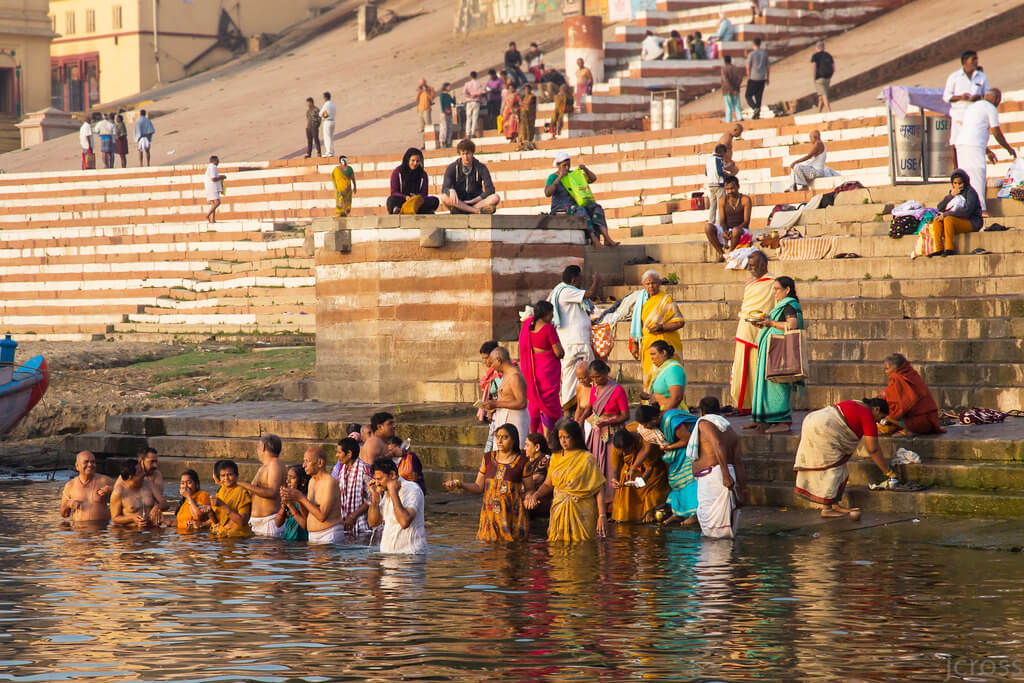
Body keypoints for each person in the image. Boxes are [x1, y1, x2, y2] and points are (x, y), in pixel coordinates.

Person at [794, 398, 895, 517]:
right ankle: (827, 509)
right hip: (824, 428)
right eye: (881, 417)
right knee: (833, 469)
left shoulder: (857, 403)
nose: (879, 421)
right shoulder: (867, 415)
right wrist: (888, 472)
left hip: (812, 419)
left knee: (841, 469)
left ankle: (835, 505)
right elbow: (873, 449)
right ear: (876, 409)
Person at [444, 423, 530, 542]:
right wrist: (460, 484)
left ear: (514, 440)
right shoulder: (488, 458)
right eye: (498, 437)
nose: (500, 440)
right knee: (487, 556)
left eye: (505, 437)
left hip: (511, 518)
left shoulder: (522, 462)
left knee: (511, 554)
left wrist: (530, 497)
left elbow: (530, 490)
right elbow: (478, 487)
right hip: (489, 517)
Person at [524, 418, 607, 541]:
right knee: (558, 551)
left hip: (582, 512)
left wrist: (602, 515)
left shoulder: (587, 458)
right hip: (559, 510)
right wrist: (536, 495)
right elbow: (548, 484)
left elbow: (598, 488)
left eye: (567, 437)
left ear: (575, 437)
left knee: (583, 549)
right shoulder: (555, 457)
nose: (563, 441)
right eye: (560, 437)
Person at [749, 276, 804, 433]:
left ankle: (782, 421)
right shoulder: (782, 305)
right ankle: (765, 420)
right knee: (768, 384)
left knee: (778, 383)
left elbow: (792, 325)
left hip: (780, 352)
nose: (774, 293)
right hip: (772, 350)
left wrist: (770, 323)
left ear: (787, 290)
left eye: (777, 289)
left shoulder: (789, 305)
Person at [688, 396, 746, 539]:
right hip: (723, 476)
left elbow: (717, 444)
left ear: (701, 412)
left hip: (715, 478)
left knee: (715, 532)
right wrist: (743, 489)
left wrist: (726, 475)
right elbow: (738, 462)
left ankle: (716, 559)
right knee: (720, 528)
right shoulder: (730, 430)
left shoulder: (704, 423)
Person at [954, 88, 1016, 215]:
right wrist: (1008, 148)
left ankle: (965, 208)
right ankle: (981, 209)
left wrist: (987, 151)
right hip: (974, 146)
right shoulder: (990, 107)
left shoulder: (974, 106)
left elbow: (973, 129)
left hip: (961, 144)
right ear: (996, 99)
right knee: (978, 176)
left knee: (965, 178)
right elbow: (996, 131)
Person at [609, 405, 671, 523]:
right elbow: (616, 468)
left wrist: (640, 482)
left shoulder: (646, 439)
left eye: (627, 451)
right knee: (625, 488)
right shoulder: (618, 444)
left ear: (633, 443)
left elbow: (649, 468)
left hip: (653, 472)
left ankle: (650, 514)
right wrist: (614, 479)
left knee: (653, 495)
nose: (624, 454)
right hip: (630, 471)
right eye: (621, 452)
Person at [549, 264, 599, 409]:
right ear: (574, 279)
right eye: (580, 278)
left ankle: (582, 406)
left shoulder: (563, 290)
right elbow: (590, 294)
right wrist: (596, 280)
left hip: (575, 341)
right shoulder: (566, 291)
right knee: (583, 375)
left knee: (576, 377)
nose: (581, 281)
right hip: (575, 342)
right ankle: (571, 409)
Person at [580, 358, 629, 505]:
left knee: (611, 465)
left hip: (612, 433)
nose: (595, 380)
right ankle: (597, 500)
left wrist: (608, 421)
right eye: (593, 377)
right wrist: (581, 419)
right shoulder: (594, 387)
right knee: (596, 463)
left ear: (606, 373)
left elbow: (625, 415)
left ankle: (612, 501)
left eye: (598, 377)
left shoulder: (617, 390)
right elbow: (590, 407)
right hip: (597, 432)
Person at [731, 250, 774, 414]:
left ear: (764, 265)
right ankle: (744, 405)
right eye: (749, 265)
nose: (751, 268)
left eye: (754, 265)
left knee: (756, 369)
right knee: (741, 369)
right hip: (744, 329)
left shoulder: (773, 282)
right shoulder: (749, 282)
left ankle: (758, 406)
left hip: (761, 330)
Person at [629, 270, 685, 392]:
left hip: (665, 345)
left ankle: (671, 403)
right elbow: (637, 324)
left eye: (653, 283)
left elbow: (680, 322)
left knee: (667, 377)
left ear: (659, 283)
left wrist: (662, 327)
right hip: (648, 346)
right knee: (651, 378)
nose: (651, 286)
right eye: (647, 283)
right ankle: (650, 406)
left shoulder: (666, 299)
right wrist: (634, 343)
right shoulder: (641, 301)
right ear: (643, 285)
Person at [546, 151, 617, 247]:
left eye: (568, 164)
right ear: (558, 165)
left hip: (576, 204)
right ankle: (593, 238)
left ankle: (606, 237)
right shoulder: (553, 177)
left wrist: (585, 169)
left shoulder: (573, 175)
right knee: (580, 210)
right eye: (564, 165)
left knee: (596, 208)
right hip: (561, 207)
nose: (567, 167)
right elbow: (547, 193)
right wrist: (559, 177)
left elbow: (592, 179)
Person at [519, 300, 564, 439]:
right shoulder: (548, 328)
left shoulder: (527, 325)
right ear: (546, 314)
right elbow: (559, 352)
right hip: (547, 372)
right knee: (549, 405)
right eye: (551, 314)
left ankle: (532, 436)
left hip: (532, 371)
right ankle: (547, 437)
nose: (552, 317)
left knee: (535, 402)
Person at [282, 447, 343, 544]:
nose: (304, 465)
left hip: (328, 534)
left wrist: (301, 497)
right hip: (313, 536)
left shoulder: (329, 482)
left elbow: (322, 516)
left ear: (320, 463)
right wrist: (296, 499)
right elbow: (306, 515)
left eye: (307, 461)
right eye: (304, 461)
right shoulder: (311, 482)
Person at [367, 457, 427, 554]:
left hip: (410, 557)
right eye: (375, 479)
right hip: (388, 556)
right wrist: (374, 498)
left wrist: (393, 492)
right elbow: (373, 523)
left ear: (392, 475)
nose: (377, 483)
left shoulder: (412, 489)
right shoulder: (386, 492)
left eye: (380, 479)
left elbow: (404, 522)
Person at [879, 353, 945, 435]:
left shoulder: (896, 377)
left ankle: (909, 430)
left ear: (895, 368)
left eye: (887, 369)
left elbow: (898, 407)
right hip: (931, 421)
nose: (886, 372)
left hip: (920, 423)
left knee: (884, 415)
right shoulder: (912, 373)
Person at [943, 50, 989, 166]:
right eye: (973, 59)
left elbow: (988, 94)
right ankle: (957, 171)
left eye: (976, 59)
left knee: (975, 141)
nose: (976, 61)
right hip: (959, 114)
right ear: (965, 62)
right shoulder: (954, 77)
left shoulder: (981, 77)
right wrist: (961, 97)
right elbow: (946, 97)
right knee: (955, 142)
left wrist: (979, 97)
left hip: (975, 114)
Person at [237, 433, 285, 537]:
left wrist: (244, 484)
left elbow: (273, 492)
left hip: (269, 522)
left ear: (262, 447)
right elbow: (251, 492)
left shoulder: (274, 464)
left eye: (258, 447)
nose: (257, 451)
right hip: (257, 523)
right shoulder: (263, 467)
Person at [926, 169, 983, 257]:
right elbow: (940, 207)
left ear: (965, 182)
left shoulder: (971, 192)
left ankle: (949, 248)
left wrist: (945, 215)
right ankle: (939, 249)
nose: (957, 186)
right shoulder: (952, 193)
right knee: (937, 220)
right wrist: (951, 196)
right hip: (957, 221)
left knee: (948, 219)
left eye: (960, 183)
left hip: (972, 222)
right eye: (955, 183)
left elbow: (966, 211)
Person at [659, 405, 700, 525]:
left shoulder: (670, 421)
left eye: (647, 424)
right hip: (678, 451)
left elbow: (687, 439)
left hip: (691, 447)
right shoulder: (659, 423)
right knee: (675, 480)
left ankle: (694, 514)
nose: (647, 427)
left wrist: (668, 447)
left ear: (654, 419)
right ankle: (678, 513)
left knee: (687, 479)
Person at [483, 346, 530, 450]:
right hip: (505, 419)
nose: (491, 366)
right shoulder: (506, 374)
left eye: (492, 363)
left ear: (498, 360)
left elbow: (522, 403)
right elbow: (507, 398)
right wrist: (493, 406)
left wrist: (496, 404)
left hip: (515, 421)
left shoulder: (514, 376)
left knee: (515, 453)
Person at [440, 138, 501, 214]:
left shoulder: (481, 167)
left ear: (472, 153)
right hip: (458, 202)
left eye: (468, 153)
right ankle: (476, 211)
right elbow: (444, 188)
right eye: (463, 154)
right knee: (444, 197)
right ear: (460, 154)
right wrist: (451, 190)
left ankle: (466, 210)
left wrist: (474, 200)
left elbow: (490, 189)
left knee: (495, 197)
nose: (466, 157)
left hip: (476, 202)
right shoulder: (452, 167)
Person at [706, 175, 752, 260]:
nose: (730, 191)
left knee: (735, 230)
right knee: (708, 227)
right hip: (728, 230)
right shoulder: (722, 200)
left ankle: (731, 254)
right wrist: (725, 231)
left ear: (738, 187)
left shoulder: (745, 199)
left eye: (732, 188)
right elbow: (722, 220)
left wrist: (734, 230)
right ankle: (722, 254)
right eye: (727, 189)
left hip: (741, 230)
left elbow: (746, 221)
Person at [60, 451, 114, 524]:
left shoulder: (105, 481)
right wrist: (68, 504)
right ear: (77, 466)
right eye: (86, 462)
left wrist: (111, 490)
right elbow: (64, 515)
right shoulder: (70, 485)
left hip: (101, 531)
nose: (90, 465)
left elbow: (126, 491)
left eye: (93, 462)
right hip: (79, 531)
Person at [334, 436, 372, 536]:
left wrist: (353, 516)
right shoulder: (342, 470)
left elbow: (372, 498)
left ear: (349, 454)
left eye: (339, 452)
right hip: (344, 524)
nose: (337, 455)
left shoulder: (365, 468)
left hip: (362, 524)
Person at [109, 460, 162, 528]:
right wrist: (132, 518)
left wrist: (157, 507)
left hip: (151, 530)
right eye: (140, 472)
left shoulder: (148, 483)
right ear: (131, 476)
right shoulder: (119, 492)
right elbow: (115, 519)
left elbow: (164, 503)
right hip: (130, 533)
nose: (144, 474)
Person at [387, 147, 439, 214]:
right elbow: (394, 192)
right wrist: (405, 197)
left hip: (416, 202)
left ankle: (411, 210)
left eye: (417, 161)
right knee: (391, 200)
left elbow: (424, 193)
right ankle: (401, 210)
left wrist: (416, 197)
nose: (415, 163)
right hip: (403, 201)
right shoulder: (397, 172)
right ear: (408, 160)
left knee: (434, 201)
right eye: (413, 160)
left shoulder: (423, 174)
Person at [639, 340, 688, 412]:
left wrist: (662, 415)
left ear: (664, 352)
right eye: (651, 355)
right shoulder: (663, 369)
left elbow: (677, 398)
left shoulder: (673, 369)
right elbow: (664, 394)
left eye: (653, 354)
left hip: (672, 415)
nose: (651, 357)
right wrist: (650, 397)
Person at [210, 459, 252, 537]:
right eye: (223, 475)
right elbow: (218, 521)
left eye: (230, 474)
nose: (226, 478)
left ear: (236, 476)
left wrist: (223, 505)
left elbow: (242, 521)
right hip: (223, 536)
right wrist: (209, 511)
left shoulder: (242, 492)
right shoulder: (220, 492)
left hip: (239, 539)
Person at [274, 464, 309, 541]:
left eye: (292, 478)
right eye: (287, 477)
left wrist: (290, 505)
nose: (287, 481)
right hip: (289, 541)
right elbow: (277, 523)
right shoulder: (290, 497)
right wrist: (284, 505)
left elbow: (304, 525)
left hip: (301, 545)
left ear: (303, 482)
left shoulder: (306, 499)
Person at [524, 431, 553, 517]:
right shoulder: (529, 460)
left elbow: (535, 480)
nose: (525, 448)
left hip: (541, 499)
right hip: (531, 496)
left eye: (527, 445)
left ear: (537, 447)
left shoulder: (544, 460)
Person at [705, 143, 727, 234]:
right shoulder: (719, 159)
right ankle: (720, 225)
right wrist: (725, 174)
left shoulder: (708, 159)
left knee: (712, 205)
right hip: (719, 184)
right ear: (721, 152)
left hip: (710, 184)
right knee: (721, 205)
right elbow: (719, 171)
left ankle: (711, 222)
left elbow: (706, 172)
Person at [745, 38, 769, 119]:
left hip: (753, 77)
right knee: (758, 97)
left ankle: (755, 108)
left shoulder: (751, 54)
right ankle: (757, 114)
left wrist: (748, 76)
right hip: (762, 78)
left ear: (753, 44)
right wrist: (768, 77)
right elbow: (768, 67)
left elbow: (748, 66)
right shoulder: (764, 54)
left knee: (748, 95)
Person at [810, 42, 835, 113]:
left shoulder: (815, 56)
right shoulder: (829, 55)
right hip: (828, 78)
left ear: (817, 48)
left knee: (824, 96)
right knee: (821, 97)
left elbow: (814, 67)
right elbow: (833, 68)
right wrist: (830, 76)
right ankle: (818, 113)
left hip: (819, 79)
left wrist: (814, 78)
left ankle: (829, 111)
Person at [721, 56, 744, 123]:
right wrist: (737, 86)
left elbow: (725, 80)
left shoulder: (724, 69)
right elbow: (740, 78)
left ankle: (729, 120)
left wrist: (731, 88)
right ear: (730, 61)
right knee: (737, 105)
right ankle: (739, 118)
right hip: (736, 90)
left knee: (728, 106)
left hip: (727, 90)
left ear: (725, 61)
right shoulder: (735, 68)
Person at [204, 155, 226, 223]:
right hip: (212, 188)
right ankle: (207, 215)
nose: (218, 162)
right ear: (215, 161)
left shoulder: (210, 167)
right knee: (217, 202)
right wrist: (222, 177)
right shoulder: (213, 167)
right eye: (218, 160)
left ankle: (213, 219)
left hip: (210, 188)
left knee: (213, 203)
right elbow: (213, 178)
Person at [463, 71, 484, 138]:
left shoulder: (467, 84)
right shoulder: (478, 84)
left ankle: (468, 133)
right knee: (474, 118)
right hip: (476, 102)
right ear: (476, 76)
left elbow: (464, 92)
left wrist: (470, 96)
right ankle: (473, 133)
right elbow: (480, 93)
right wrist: (475, 95)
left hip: (469, 101)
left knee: (468, 118)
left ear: (470, 76)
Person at [439, 82, 456, 148]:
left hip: (449, 112)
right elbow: (442, 104)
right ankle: (442, 141)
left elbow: (453, 103)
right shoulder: (442, 95)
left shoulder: (448, 95)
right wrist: (443, 112)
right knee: (444, 127)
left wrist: (454, 96)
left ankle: (448, 141)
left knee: (450, 127)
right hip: (444, 113)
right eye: (449, 87)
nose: (450, 88)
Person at [320, 92, 336, 157]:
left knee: (327, 137)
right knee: (331, 137)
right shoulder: (333, 104)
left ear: (325, 97)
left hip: (327, 121)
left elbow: (321, 113)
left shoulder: (326, 104)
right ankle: (331, 151)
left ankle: (329, 152)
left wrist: (323, 116)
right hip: (333, 121)